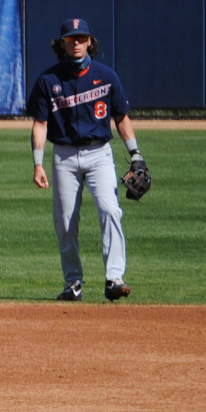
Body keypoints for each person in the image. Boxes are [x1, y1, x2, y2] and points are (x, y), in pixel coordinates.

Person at [27, 17, 141, 302]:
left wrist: (135, 154)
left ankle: (114, 279)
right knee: (65, 223)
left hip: (99, 154)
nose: (76, 43)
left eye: (81, 38)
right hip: (64, 156)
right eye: (70, 39)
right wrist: (38, 163)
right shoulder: (48, 81)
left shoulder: (107, 76)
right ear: (62, 44)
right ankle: (73, 283)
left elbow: (121, 117)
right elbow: (40, 123)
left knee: (110, 210)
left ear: (90, 41)